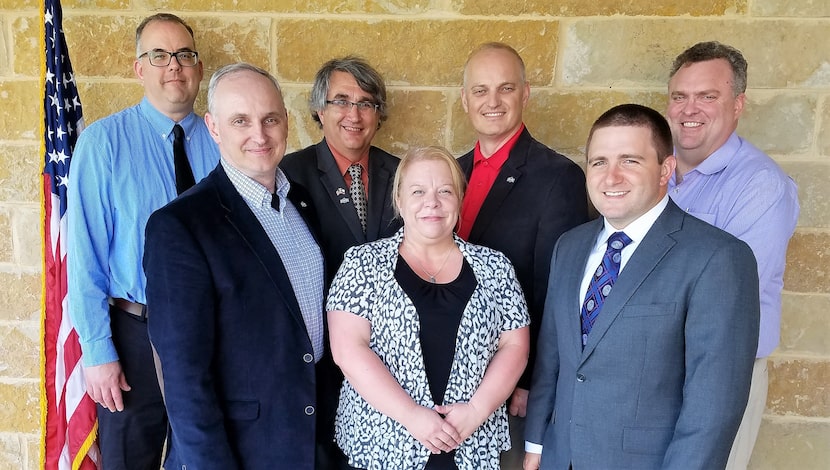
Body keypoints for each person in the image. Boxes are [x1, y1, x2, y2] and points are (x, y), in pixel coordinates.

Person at [524, 104, 760, 469]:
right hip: (560, 457)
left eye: (630, 161)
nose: (611, 177)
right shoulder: (569, 247)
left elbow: (713, 407)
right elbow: (553, 355)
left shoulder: (718, 258)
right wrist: (536, 444)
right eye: (599, 162)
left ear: (665, 169)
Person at [144, 63, 326, 469]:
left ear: (286, 122)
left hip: (307, 444)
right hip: (239, 451)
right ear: (213, 127)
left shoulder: (301, 205)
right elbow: (185, 379)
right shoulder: (180, 226)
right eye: (240, 120)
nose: (259, 135)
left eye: (270, 119)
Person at [66, 13, 219, 469]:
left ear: (198, 67)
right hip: (134, 336)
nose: (174, 66)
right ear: (139, 68)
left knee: (207, 458)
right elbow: (86, 257)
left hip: (211, 332)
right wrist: (97, 352)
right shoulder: (102, 144)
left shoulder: (223, 142)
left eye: (185, 55)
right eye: (159, 55)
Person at [327, 146, 530, 469]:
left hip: (469, 444)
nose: (431, 202)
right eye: (418, 191)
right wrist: (412, 416)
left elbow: (515, 345)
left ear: (459, 198)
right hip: (383, 444)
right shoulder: (363, 264)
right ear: (400, 200)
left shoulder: (495, 267)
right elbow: (348, 349)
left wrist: (476, 411)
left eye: (444, 191)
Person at [666, 41, 800, 469]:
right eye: (680, 96)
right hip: (653, 372)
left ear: (738, 104)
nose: (691, 108)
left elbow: (725, 301)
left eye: (708, 96)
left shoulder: (759, 186)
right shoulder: (653, 172)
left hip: (720, 376)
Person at [456, 42, 589, 467]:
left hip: (510, 380)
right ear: (464, 99)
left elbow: (557, 290)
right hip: (448, 378)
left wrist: (533, 380)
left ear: (525, 94)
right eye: (480, 91)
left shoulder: (559, 177)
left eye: (505, 89)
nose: (492, 102)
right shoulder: (452, 172)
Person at [281, 56, 400, 284]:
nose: (354, 116)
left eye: (365, 104)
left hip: (391, 316)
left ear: (378, 115)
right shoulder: (289, 174)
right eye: (341, 102)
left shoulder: (402, 174)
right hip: (320, 314)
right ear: (321, 110)